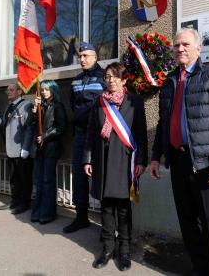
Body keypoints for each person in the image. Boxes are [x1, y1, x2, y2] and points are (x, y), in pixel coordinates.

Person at [149, 28, 209, 276]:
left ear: (199, 49)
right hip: (178, 161)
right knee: (187, 222)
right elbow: (164, 124)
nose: (180, 49)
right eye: (176, 46)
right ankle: (201, 270)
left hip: (205, 163)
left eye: (185, 44)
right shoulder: (169, 82)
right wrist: (156, 157)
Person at [83, 62, 148, 271]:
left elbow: (141, 134)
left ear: (124, 79)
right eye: (107, 77)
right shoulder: (99, 102)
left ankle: (125, 250)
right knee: (107, 205)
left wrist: (141, 161)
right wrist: (88, 158)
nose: (110, 81)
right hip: (102, 159)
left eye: (114, 77)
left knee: (123, 207)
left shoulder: (134, 102)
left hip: (124, 160)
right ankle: (108, 247)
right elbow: (91, 133)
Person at [64, 41, 106, 234]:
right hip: (81, 133)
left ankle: (108, 223)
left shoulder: (105, 77)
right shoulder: (76, 80)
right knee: (79, 176)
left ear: (95, 57)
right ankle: (81, 218)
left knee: (103, 175)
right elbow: (73, 106)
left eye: (86, 56)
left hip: (100, 134)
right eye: (80, 56)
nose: (82, 59)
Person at [28, 80, 67, 224]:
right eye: (42, 89)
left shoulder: (58, 106)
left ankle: (48, 213)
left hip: (51, 148)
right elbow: (29, 123)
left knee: (47, 181)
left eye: (47, 89)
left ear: (53, 90)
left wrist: (45, 136)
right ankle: (37, 210)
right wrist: (34, 109)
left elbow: (61, 127)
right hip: (39, 149)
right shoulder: (40, 106)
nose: (44, 92)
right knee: (38, 181)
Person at [0, 83, 34, 214]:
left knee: (24, 178)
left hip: (21, 149)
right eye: (7, 90)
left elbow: (29, 127)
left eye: (11, 90)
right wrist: (1, 122)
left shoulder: (26, 105)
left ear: (19, 92)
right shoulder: (9, 106)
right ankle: (14, 201)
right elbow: (8, 125)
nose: (8, 92)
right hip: (10, 148)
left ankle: (24, 203)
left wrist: (26, 147)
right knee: (13, 178)